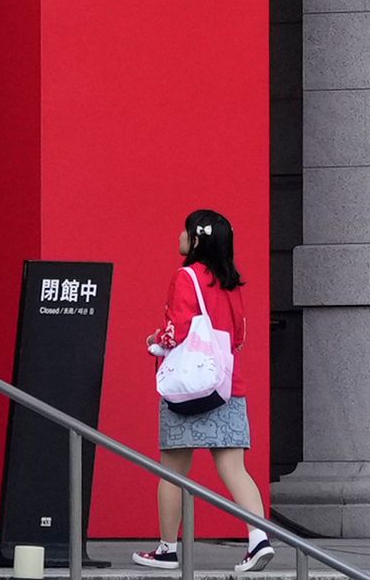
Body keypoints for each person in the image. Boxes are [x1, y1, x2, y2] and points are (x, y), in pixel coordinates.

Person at [133, 208, 271, 572]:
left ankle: (166, 549)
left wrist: (153, 341)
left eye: (185, 230)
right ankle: (258, 539)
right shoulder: (230, 281)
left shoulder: (186, 277)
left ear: (197, 239)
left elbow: (176, 330)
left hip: (188, 387)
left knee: (173, 470)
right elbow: (239, 335)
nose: (180, 235)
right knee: (234, 467)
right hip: (226, 384)